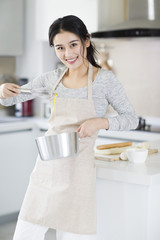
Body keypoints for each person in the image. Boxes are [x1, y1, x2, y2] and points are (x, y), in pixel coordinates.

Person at [0, 15, 138, 240]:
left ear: (86, 41)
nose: (68, 54)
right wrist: (3, 89)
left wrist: (99, 122)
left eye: (73, 44)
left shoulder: (104, 80)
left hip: (78, 172)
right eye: (60, 48)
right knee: (25, 233)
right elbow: (9, 100)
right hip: (47, 170)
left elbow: (130, 118)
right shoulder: (50, 79)